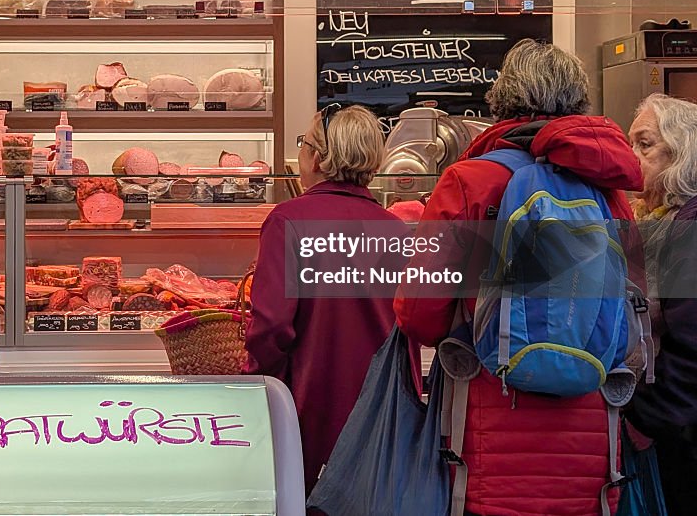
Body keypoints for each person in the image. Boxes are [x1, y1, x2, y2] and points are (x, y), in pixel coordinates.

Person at [393, 39, 645, 516]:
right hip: (588, 436)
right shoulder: (607, 190)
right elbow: (633, 312)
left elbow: (419, 314)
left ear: (502, 100)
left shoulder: (468, 182)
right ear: (578, 102)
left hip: (487, 431)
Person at [245, 103, 406, 495]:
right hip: (383, 406)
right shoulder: (396, 229)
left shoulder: (288, 220)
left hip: (311, 404)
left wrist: (256, 380)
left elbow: (270, 326)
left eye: (303, 144)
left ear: (317, 157)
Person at [624, 94, 697, 515]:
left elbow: (693, 349)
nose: (631, 156)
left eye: (645, 145)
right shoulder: (656, 221)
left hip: (682, 436)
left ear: (682, 154)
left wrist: (646, 417)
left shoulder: (687, 229)